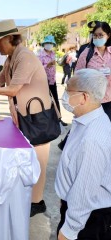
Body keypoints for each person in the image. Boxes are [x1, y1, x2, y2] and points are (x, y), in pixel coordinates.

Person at [0, 19, 52, 217]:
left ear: (9, 38)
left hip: (38, 118)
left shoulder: (25, 57)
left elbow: (12, 90)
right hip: (24, 117)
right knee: (26, 161)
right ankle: (28, 198)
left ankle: (37, 202)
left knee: (38, 162)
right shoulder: (10, 59)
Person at [55, 69, 111, 240]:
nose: (64, 96)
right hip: (76, 210)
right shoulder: (87, 120)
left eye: (68, 92)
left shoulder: (92, 139)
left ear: (84, 97)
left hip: (87, 221)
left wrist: (69, 230)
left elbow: (84, 191)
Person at [75, 21, 111, 119]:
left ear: (108, 35)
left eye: (100, 35)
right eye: (95, 35)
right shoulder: (86, 54)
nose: (97, 38)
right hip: (91, 102)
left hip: (109, 101)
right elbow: (77, 76)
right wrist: (92, 75)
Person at [38, 35, 67, 126]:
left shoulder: (53, 54)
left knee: (55, 100)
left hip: (52, 81)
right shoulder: (40, 55)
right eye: (47, 43)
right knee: (45, 101)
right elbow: (37, 69)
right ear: (44, 44)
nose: (49, 45)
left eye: (51, 43)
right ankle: (46, 120)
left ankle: (58, 118)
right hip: (43, 82)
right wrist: (47, 65)